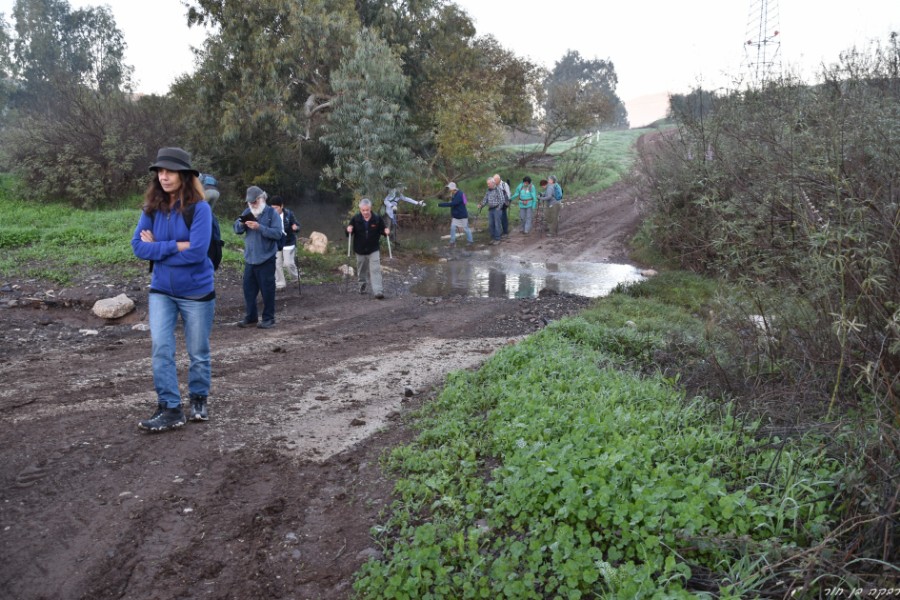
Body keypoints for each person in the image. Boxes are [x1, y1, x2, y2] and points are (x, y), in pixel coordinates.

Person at [131, 147, 215, 432]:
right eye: (160, 172)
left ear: (184, 175)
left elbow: (198, 252)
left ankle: (199, 398)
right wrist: (175, 245)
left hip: (196, 292)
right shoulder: (152, 208)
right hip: (161, 291)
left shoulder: (199, 209)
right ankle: (170, 407)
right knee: (161, 348)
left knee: (198, 351)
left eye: (170, 171)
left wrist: (157, 248)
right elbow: (138, 247)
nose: (164, 177)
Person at [234, 186, 282, 328]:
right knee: (248, 290)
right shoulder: (247, 212)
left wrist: (259, 227)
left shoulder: (271, 213)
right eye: (250, 202)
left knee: (267, 290)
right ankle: (251, 317)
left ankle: (268, 319)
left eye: (254, 202)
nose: (252, 205)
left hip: (266, 258)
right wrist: (241, 223)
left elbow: (277, 234)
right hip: (250, 258)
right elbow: (236, 229)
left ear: (262, 199)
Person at [346, 198, 389, 299]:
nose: (365, 212)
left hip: (373, 249)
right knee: (361, 270)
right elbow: (349, 234)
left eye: (367, 210)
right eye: (363, 210)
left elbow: (383, 231)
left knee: (375, 270)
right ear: (360, 209)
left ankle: (378, 291)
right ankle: (362, 286)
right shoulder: (355, 219)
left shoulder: (377, 219)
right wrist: (348, 229)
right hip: (360, 250)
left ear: (370, 209)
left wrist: (386, 231)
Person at [269, 196, 300, 291]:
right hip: (276, 242)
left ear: (281, 206)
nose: (274, 210)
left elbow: (297, 225)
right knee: (276, 263)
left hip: (288, 242)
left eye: (276, 208)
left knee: (288, 263)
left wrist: (296, 227)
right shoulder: (269, 215)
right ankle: (280, 284)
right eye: (272, 207)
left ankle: (296, 279)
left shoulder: (289, 214)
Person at [438, 182, 472, 248]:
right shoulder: (453, 194)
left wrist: (440, 204)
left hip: (462, 215)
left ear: (453, 188)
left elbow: (452, 204)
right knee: (453, 228)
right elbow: (463, 202)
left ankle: (470, 241)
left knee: (466, 228)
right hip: (456, 216)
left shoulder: (459, 194)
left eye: (449, 188)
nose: (449, 189)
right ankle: (452, 242)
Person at [479, 177, 506, 245]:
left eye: (488, 184)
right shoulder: (488, 190)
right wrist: (481, 205)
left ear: (493, 183)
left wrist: (498, 208)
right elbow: (485, 199)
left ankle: (497, 239)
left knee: (497, 224)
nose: (488, 185)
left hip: (497, 209)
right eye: (487, 184)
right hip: (490, 210)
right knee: (491, 225)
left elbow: (502, 200)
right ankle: (493, 238)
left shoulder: (498, 189)